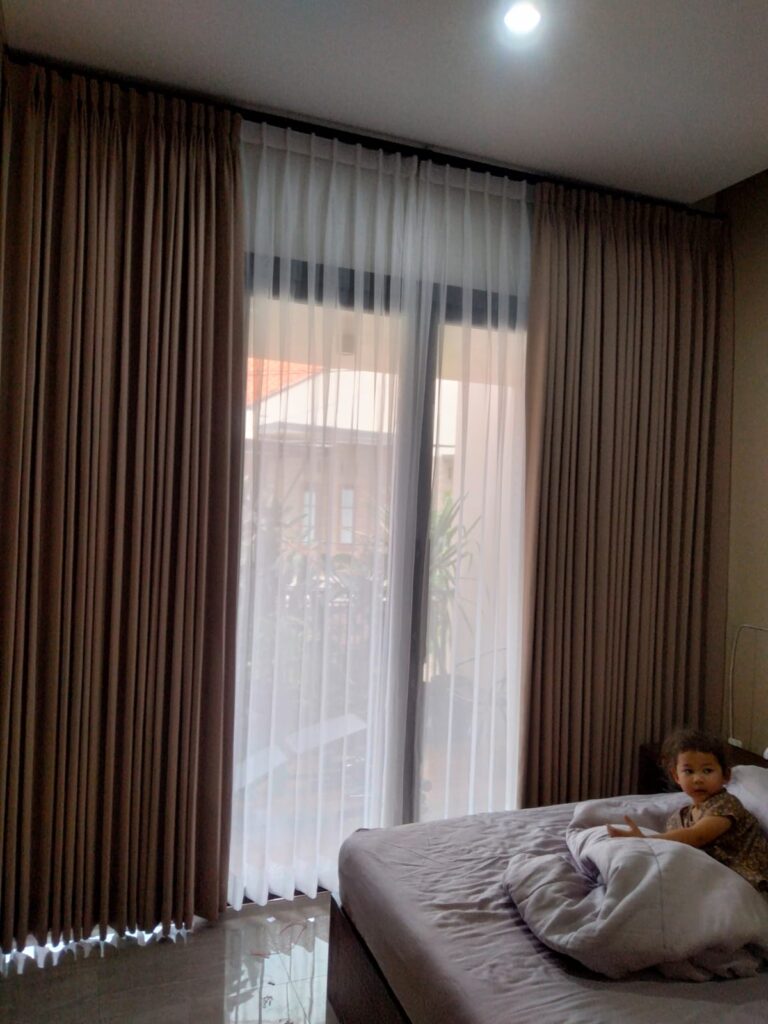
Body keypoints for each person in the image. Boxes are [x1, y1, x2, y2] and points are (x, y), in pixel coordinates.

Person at [608, 728, 768, 892]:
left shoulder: (726, 804)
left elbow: (698, 836)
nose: (698, 779)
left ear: (726, 775)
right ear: (676, 776)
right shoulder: (681, 817)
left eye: (707, 770)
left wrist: (647, 839)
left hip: (743, 878)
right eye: (688, 771)